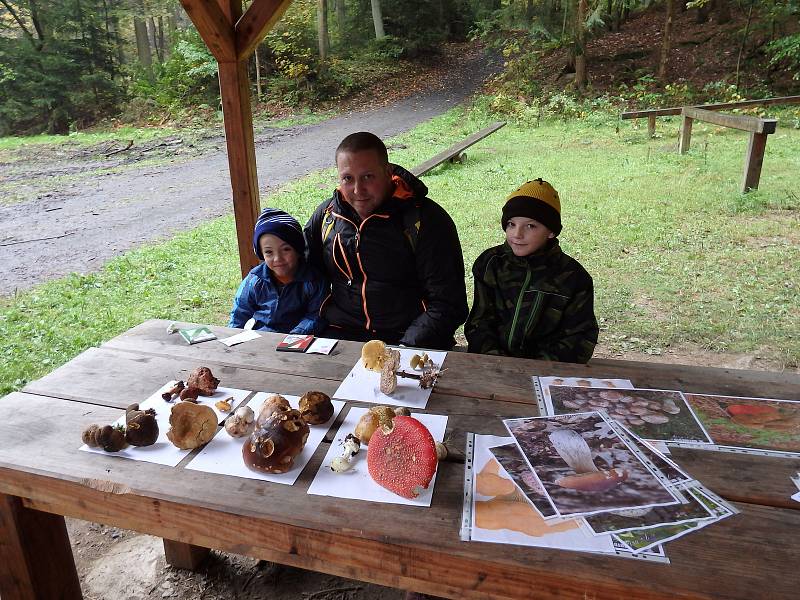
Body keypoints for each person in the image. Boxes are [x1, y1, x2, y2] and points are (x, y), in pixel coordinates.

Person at [304, 132, 468, 349]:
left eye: (368, 177)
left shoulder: (425, 220)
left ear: (388, 172)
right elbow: (302, 278)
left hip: (409, 341)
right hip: (340, 337)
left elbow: (448, 303)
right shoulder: (327, 216)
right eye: (347, 178)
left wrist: (405, 349)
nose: (357, 190)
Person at [464, 178, 598, 363]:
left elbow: (579, 338)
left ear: (551, 231)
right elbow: (479, 323)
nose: (517, 234)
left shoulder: (574, 278)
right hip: (493, 366)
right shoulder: (490, 264)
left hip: (547, 373)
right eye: (511, 224)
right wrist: (496, 361)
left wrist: (535, 367)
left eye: (530, 226)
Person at [229, 208, 328, 335]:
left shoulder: (313, 281)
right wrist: (232, 336)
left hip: (299, 340)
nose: (278, 259)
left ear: (298, 250)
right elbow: (239, 312)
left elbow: (316, 316)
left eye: (286, 249)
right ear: (261, 254)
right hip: (262, 338)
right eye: (269, 252)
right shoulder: (255, 280)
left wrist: (294, 336)